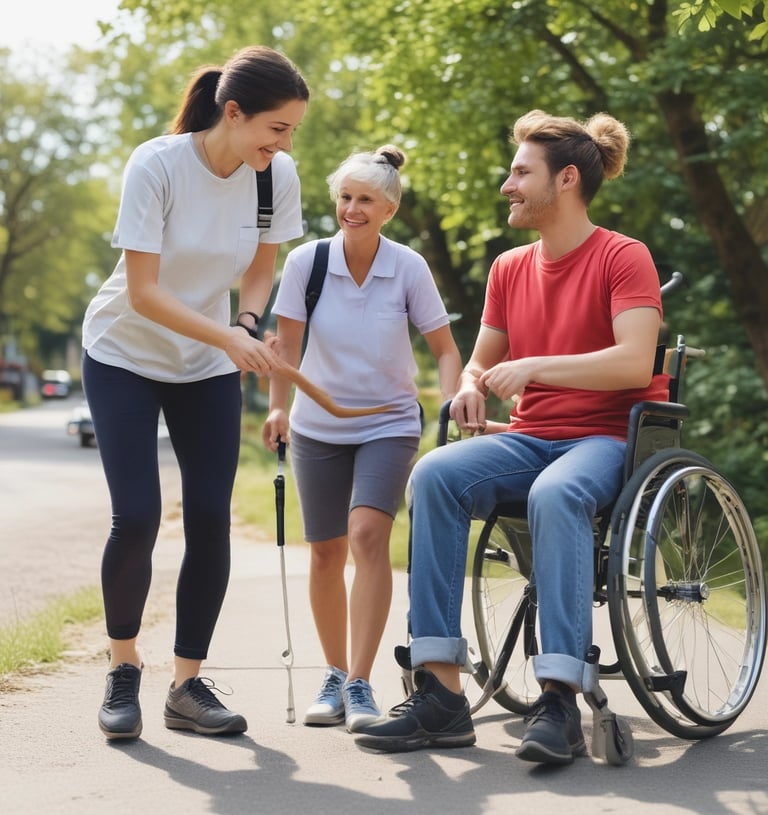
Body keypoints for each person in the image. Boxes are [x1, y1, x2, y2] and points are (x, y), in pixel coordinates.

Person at [353, 110, 668, 763]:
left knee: (557, 494)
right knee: (436, 474)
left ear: (568, 179)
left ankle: (557, 697)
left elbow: (636, 361)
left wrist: (536, 366)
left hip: (606, 438)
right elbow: (479, 358)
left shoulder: (623, 255)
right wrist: (469, 382)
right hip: (533, 435)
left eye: (522, 172)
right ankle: (440, 693)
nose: (508, 185)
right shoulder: (510, 268)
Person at [82, 45, 309, 741]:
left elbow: (262, 265)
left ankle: (187, 684)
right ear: (232, 113)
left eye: (292, 131)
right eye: (276, 128)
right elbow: (145, 291)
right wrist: (227, 338)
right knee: (139, 514)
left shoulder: (276, 176)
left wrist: (244, 323)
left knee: (210, 512)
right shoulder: (157, 164)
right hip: (123, 350)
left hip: (207, 359)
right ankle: (124, 668)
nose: (284, 143)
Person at [262, 145, 462, 733]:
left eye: (365, 199)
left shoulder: (408, 268)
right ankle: (332, 671)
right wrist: (278, 407)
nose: (352, 208)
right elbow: (286, 348)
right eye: (345, 197)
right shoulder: (306, 263)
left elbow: (446, 350)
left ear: (388, 209)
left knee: (368, 535)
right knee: (326, 552)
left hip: (389, 422)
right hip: (317, 424)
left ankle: (359, 682)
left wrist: (451, 408)